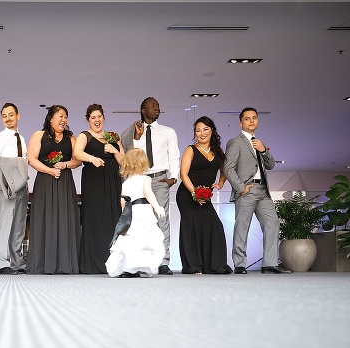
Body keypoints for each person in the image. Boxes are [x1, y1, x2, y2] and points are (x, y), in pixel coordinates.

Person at [224, 107, 291, 274]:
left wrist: (263, 149)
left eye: (254, 118)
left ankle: (269, 263)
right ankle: (239, 264)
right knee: (242, 227)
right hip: (247, 189)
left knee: (272, 223)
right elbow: (228, 168)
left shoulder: (259, 142)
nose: (252, 121)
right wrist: (241, 188)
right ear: (241, 122)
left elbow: (271, 165)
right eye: (247, 118)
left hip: (263, 190)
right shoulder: (235, 142)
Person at [121, 97, 180, 275]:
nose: (157, 108)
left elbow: (174, 157)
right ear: (143, 110)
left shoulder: (168, 132)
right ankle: (139, 262)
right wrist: (137, 137)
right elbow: (132, 155)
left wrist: (174, 178)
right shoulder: (131, 132)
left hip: (160, 179)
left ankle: (163, 262)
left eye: (158, 106)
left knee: (162, 220)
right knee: (138, 220)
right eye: (152, 106)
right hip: (139, 179)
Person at [25, 105, 82, 274]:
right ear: (50, 119)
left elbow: (77, 160)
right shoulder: (39, 135)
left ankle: (65, 263)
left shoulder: (71, 137)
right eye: (60, 116)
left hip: (64, 182)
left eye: (65, 116)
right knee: (44, 218)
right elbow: (31, 159)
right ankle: (43, 264)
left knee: (65, 218)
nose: (63, 119)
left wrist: (65, 164)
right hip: (45, 180)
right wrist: (49, 170)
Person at [176, 116, 233, 275]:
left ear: (212, 130)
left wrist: (220, 183)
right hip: (187, 194)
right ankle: (193, 266)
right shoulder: (191, 149)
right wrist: (194, 193)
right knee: (191, 228)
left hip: (205, 196)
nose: (202, 133)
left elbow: (224, 171)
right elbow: (183, 174)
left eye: (205, 129)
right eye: (198, 130)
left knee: (214, 226)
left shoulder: (218, 152)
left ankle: (215, 265)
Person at [73, 104, 124, 274]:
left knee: (113, 219)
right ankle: (94, 263)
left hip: (112, 182)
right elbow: (76, 154)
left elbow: (124, 162)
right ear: (88, 120)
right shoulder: (84, 135)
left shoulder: (113, 137)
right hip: (93, 182)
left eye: (99, 116)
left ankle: (114, 263)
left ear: (104, 117)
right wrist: (92, 158)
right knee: (95, 219)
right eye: (93, 117)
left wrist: (114, 150)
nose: (97, 120)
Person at [105, 149, 165, 277]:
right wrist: (157, 207)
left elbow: (122, 200)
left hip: (130, 212)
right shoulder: (146, 179)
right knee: (144, 237)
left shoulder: (126, 182)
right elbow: (148, 193)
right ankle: (139, 266)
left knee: (130, 238)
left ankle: (127, 267)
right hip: (143, 211)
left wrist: (124, 216)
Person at [0, 103, 29, 275]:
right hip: (7, 187)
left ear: (18, 116)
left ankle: (17, 262)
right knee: (5, 223)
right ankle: (3, 263)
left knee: (19, 225)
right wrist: (13, 166)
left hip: (22, 187)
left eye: (11, 115)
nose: (8, 118)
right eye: (4, 115)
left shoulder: (22, 138)